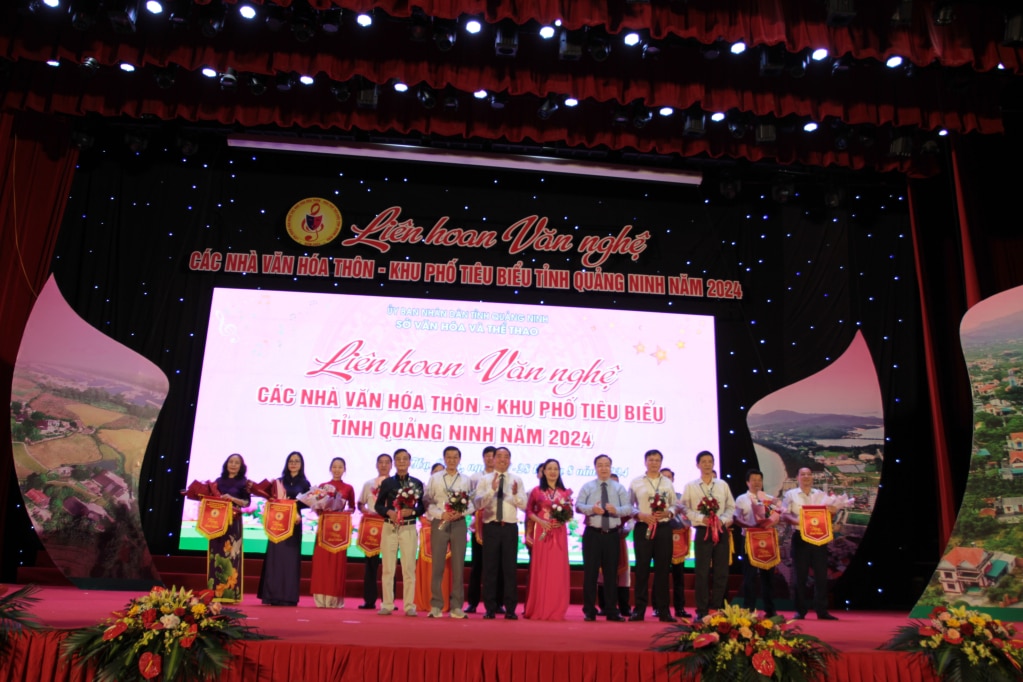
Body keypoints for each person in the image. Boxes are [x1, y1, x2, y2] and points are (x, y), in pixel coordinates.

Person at [576, 454, 632, 622]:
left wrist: (616, 510)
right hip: (593, 533)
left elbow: (628, 508)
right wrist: (592, 509)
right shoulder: (588, 487)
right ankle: (589, 610)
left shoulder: (619, 488)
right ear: (595, 467)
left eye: (606, 465)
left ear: (611, 467)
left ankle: (611, 610)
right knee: (590, 574)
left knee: (610, 574)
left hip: (612, 535)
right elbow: (578, 506)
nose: (603, 468)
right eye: (600, 465)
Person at [680, 450, 735, 620]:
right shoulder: (691, 486)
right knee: (702, 572)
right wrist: (700, 519)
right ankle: (702, 611)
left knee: (721, 571)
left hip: (720, 530)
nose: (707, 464)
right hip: (703, 531)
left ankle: (716, 608)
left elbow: (730, 507)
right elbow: (684, 508)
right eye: (703, 461)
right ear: (698, 465)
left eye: (710, 461)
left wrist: (723, 520)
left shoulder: (722, 484)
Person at [474, 445, 526, 620]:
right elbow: (478, 504)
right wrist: (492, 490)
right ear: (493, 459)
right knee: (490, 569)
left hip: (510, 528)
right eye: (499, 456)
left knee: (510, 569)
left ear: (510, 460)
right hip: (491, 527)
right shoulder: (485, 480)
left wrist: (513, 495)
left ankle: (510, 608)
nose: (503, 459)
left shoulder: (516, 479)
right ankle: (490, 608)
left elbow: (524, 505)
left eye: (506, 456)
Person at [781, 467, 839, 620]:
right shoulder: (790, 494)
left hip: (819, 537)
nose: (806, 477)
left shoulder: (820, 495)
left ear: (812, 477)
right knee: (800, 576)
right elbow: (784, 515)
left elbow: (828, 516)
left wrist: (832, 511)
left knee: (821, 575)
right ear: (797, 477)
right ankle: (800, 610)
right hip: (800, 537)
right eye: (803, 475)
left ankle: (822, 610)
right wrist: (800, 521)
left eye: (809, 474)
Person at [423, 446, 474, 619]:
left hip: (459, 523)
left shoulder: (466, 480)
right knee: (437, 564)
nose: (452, 460)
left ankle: (457, 606)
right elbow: (427, 502)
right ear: (444, 459)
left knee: (458, 565)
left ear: (460, 459)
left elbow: (472, 504)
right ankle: (436, 605)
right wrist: (440, 514)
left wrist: (462, 512)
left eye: (455, 457)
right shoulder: (435, 478)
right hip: (440, 522)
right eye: (448, 457)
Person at [629, 449, 679, 622]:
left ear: (661, 462)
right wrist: (640, 515)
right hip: (644, 527)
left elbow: (675, 505)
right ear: (645, 462)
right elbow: (629, 507)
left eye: (657, 460)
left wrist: (668, 514)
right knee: (642, 569)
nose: (654, 463)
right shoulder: (636, 482)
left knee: (663, 570)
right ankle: (639, 610)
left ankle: (663, 610)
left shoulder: (667, 482)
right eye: (651, 460)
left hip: (664, 529)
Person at [374, 448, 425, 616]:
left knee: (409, 568)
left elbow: (422, 507)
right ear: (394, 463)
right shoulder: (388, 483)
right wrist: (388, 512)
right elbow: (378, 505)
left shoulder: (417, 483)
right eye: (398, 459)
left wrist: (413, 512)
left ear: (410, 462)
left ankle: (409, 605)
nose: (402, 462)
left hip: (409, 527)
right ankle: (387, 604)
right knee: (388, 568)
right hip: (390, 526)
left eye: (405, 459)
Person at [257, 451, 310, 606]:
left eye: (297, 461)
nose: (293, 463)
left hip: (294, 524)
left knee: (290, 561)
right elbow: (272, 501)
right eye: (291, 461)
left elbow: (307, 503)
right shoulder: (278, 482)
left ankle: (288, 596)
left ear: (301, 465)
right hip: (277, 525)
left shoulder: (305, 484)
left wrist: (298, 511)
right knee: (275, 559)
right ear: (287, 464)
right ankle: (271, 595)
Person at [523, 458, 571, 620]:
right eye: (549, 468)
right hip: (542, 532)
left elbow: (569, 513)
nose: (552, 472)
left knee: (557, 569)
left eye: (555, 468)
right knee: (542, 568)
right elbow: (529, 511)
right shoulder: (536, 491)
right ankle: (539, 607)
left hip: (559, 532)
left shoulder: (565, 492)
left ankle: (556, 608)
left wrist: (561, 520)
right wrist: (541, 521)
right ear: (543, 472)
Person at [310, 457, 356, 608]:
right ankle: (320, 598)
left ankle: (334, 599)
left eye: (340, 467)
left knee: (337, 563)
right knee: (322, 562)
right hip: (324, 527)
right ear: (330, 469)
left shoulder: (348, 488)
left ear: (345, 469)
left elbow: (352, 508)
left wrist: (346, 513)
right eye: (334, 467)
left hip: (339, 531)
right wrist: (317, 507)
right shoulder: (323, 486)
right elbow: (316, 507)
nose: (337, 470)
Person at [733, 468, 779, 617]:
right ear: (747, 482)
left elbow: (778, 517)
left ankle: (770, 610)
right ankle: (749, 609)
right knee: (750, 576)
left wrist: (771, 521)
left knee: (768, 577)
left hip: (767, 540)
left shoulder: (770, 499)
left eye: (759, 480)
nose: (757, 483)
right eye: (753, 480)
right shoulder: (741, 499)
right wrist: (749, 526)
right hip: (749, 539)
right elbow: (736, 519)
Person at [208, 453, 250, 603]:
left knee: (232, 556)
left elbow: (246, 503)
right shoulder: (218, 482)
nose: (233, 465)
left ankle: (231, 594)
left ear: (241, 466)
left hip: (234, 523)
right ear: (226, 464)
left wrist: (232, 499)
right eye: (231, 462)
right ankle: (214, 593)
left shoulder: (244, 483)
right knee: (216, 555)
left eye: (236, 463)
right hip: (217, 523)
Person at [356, 453, 392, 610]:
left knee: (389, 565)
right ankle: (369, 600)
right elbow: (360, 503)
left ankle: (388, 601)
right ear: (376, 465)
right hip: (371, 528)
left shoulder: (395, 484)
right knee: (370, 565)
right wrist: (366, 511)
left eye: (387, 463)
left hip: (389, 525)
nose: (383, 465)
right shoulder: (368, 484)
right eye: (381, 462)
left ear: (391, 465)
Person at [465, 445, 498, 613]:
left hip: (495, 523)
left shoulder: (501, 477)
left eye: (494, 456)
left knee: (496, 566)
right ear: (483, 458)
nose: (491, 459)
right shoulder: (475, 477)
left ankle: (496, 603)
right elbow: (471, 500)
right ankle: (473, 602)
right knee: (477, 565)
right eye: (488, 456)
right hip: (478, 525)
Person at [660, 467, 693, 619]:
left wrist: (683, 514)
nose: (667, 479)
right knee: (661, 575)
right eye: (663, 476)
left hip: (679, 540)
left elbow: (688, 518)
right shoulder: (656, 497)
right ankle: (658, 607)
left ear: (673, 479)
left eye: (669, 477)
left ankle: (680, 608)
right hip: (662, 537)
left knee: (679, 576)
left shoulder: (681, 497)